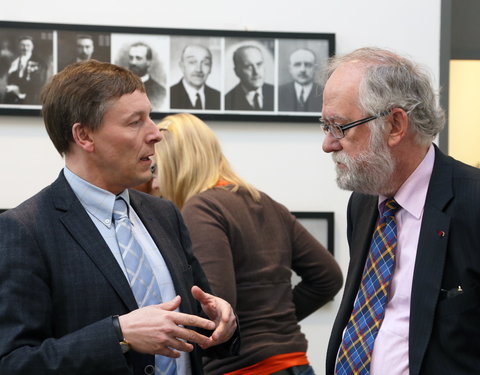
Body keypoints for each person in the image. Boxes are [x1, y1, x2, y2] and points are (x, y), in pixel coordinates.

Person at [0, 60, 239, 375]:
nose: (155, 134)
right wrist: (117, 335)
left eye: (149, 117)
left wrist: (221, 323)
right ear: (84, 136)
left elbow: (198, 321)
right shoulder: (25, 230)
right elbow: (14, 363)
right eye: (135, 121)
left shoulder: (164, 214)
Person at [322, 47, 480, 375]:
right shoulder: (364, 202)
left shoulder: (472, 201)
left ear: (395, 125)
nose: (328, 144)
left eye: (339, 127)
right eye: (324, 126)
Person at [154, 113, 343, 375]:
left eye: (157, 169)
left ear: (177, 165)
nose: (154, 183)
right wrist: (273, 324)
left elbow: (215, 306)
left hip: (244, 368)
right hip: (294, 364)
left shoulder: (201, 208)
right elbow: (329, 277)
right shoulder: (264, 201)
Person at [170, 44, 220, 110]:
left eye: (206, 63)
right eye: (192, 62)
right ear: (181, 66)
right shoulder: (170, 95)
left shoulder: (218, 97)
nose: (198, 69)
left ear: (210, 67)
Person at [225, 45, 274, 111]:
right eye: (248, 66)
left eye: (259, 64)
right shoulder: (227, 101)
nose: (256, 72)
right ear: (237, 71)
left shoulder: (276, 93)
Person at [4, 35, 47, 104]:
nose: (25, 48)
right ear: (18, 46)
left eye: (28, 45)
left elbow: (39, 82)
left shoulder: (40, 63)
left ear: (32, 47)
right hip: (14, 101)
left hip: (31, 100)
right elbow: (9, 81)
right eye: (22, 45)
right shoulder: (14, 62)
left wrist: (18, 89)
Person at [278, 48, 322, 112]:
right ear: (290, 69)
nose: (303, 70)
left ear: (315, 68)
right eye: (297, 64)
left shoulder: (323, 92)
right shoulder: (279, 92)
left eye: (307, 65)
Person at [128, 42, 166, 109]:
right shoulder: (119, 88)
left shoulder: (160, 92)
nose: (133, 62)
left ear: (148, 62)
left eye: (138, 58)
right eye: (131, 58)